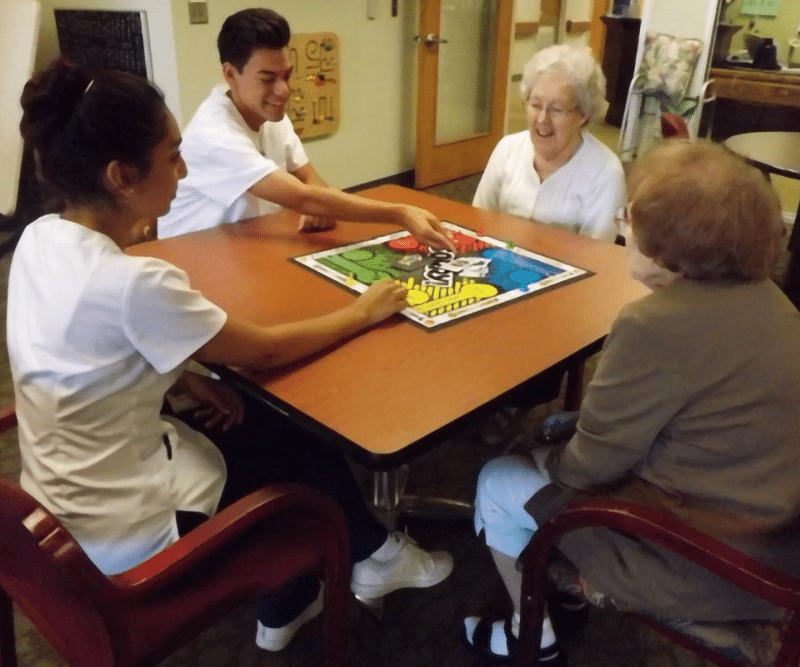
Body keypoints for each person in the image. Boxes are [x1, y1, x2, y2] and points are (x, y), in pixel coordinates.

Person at [9, 60, 453, 654]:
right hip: (121, 537)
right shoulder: (135, 284)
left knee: (251, 418)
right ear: (120, 175)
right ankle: (363, 559)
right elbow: (264, 351)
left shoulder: (39, 239)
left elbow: (79, 356)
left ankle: (301, 592)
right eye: (172, 157)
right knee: (302, 449)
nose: (184, 171)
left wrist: (184, 380)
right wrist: (364, 312)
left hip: (51, 503)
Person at [462, 139, 800, 666]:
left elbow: (588, 468)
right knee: (552, 433)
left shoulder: (656, 324)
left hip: (708, 561)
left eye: (629, 216)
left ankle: (531, 633)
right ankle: (564, 596)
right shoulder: (776, 303)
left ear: (669, 245)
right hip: (773, 536)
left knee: (498, 478)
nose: (621, 225)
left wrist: (547, 445)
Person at [157, 7, 454, 253]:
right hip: (197, 258)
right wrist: (399, 213)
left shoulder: (270, 114)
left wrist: (317, 202)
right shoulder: (213, 134)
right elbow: (303, 197)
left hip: (248, 244)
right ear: (230, 74)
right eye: (268, 78)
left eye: (287, 75)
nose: (283, 90)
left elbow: (310, 181)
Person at [472, 43, 626, 242]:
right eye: (535, 105)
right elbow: (478, 221)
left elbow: (595, 256)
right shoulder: (508, 149)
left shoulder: (606, 173)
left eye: (557, 109)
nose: (542, 119)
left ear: (582, 115)